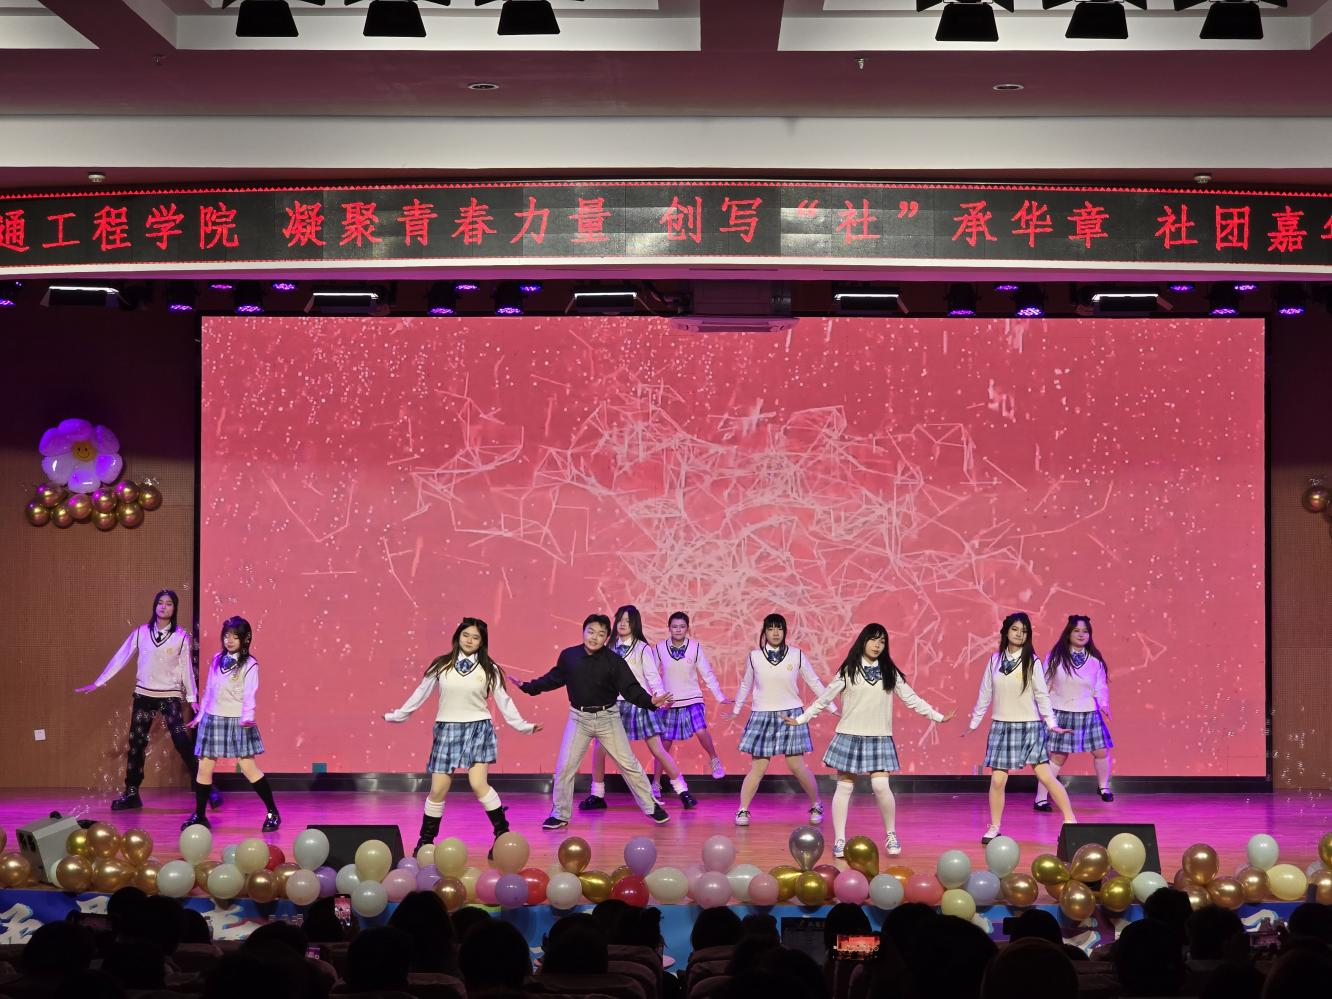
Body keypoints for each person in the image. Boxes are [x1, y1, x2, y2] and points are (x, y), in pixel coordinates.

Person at [787, 623, 953, 857]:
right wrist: (801, 719)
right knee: (844, 787)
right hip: (850, 735)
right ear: (863, 641)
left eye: (882, 641)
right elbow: (824, 699)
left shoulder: (889, 671)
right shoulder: (849, 669)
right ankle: (840, 840)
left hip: (879, 737)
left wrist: (937, 716)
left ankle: (891, 834)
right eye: (873, 640)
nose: (877, 645)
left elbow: (911, 698)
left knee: (881, 786)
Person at [384, 617, 542, 856]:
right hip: (447, 729)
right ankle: (425, 842)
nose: (469, 640)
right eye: (465, 635)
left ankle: (502, 835)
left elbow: (504, 701)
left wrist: (523, 726)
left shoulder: (489, 668)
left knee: (478, 784)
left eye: (475, 637)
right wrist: (398, 715)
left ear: (482, 642)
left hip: (478, 728)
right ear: (457, 636)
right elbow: (420, 693)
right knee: (438, 789)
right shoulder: (441, 665)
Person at [518, 613, 673, 830]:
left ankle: (651, 806)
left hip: (608, 718)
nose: (594, 637)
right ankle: (560, 814)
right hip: (579, 719)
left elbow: (630, 689)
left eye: (600, 634)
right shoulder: (569, 656)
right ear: (583, 632)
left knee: (629, 764)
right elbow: (553, 678)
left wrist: (650, 701)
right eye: (591, 632)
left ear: (606, 637)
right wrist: (528, 687)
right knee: (565, 767)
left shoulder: (614, 661)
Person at [76, 590, 220, 812]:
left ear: (174, 608)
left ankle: (208, 788)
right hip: (144, 696)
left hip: (170, 696)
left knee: (181, 741)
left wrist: (192, 698)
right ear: (155, 606)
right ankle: (131, 793)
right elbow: (121, 656)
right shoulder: (141, 633)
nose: (164, 607)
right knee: (136, 744)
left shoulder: (181, 637)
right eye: (160, 603)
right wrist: (99, 682)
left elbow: (186, 670)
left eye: (169, 603)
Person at [963, 612, 1075, 844]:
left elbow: (1042, 695)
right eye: (1014, 629)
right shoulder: (994, 660)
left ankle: (1071, 821)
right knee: (997, 781)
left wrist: (1052, 724)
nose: (1018, 634)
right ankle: (995, 827)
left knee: (1045, 776)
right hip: (1001, 727)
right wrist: (974, 722)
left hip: (1029, 727)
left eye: (1023, 631)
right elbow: (985, 693)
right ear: (1006, 631)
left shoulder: (1032, 661)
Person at [581, 605, 696, 812]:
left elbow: (652, 677)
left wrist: (659, 696)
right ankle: (597, 795)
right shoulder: (608, 646)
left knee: (657, 749)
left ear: (635, 624)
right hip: (612, 705)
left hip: (639, 703)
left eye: (628, 620)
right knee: (599, 749)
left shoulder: (642, 648)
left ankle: (683, 791)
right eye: (620, 619)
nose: (623, 624)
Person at [732, 613, 834, 827]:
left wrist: (831, 706)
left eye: (779, 628)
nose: (775, 632)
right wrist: (736, 708)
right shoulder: (754, 656)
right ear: (765, 632)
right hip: (762, 714)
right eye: (771, 629)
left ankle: (816, 804)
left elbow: (814, 681)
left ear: (785, 631)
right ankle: (743, 809)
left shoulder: (796, 655)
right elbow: (745, 684)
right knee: (758, 768)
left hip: (791, 714)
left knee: (797, 766)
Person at [184, 616, 279, 831]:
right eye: (226, 635)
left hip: (238, 720)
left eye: (235, 637)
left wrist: (247, 716)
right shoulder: (217, 659)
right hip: (212, 717)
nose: (229, 640)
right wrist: (200, 717)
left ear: (245, 639)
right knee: (204, 767)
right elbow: (209, 690)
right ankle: (200, 815)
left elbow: (250, 693)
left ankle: (273, 812)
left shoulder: (250, 664)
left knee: (248, 767)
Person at [1035, 615, 1114, 810]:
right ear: (1068, 633)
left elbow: (1100, 686)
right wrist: (1042, 708)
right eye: (1076, 631)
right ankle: (1040, 798)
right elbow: (1043, 683)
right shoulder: (1056, 657)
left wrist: (1104, 704)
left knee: (1101, 751)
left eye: (1085, 631)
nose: (1081, 634)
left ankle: (1103, 787)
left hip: (1088, 711)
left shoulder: (1095, 661)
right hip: (1062, 710)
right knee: (1058, 757)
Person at [653, 611, 730, 784]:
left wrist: (719, 696)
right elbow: (652, 674)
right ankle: (656, 783)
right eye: (674, 626)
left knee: (701, 730)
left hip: (692, 698)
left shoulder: (695, 647)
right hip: (669, 701)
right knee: (665, 743)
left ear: (687, 628)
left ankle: (714, 759)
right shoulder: (659, 648)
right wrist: (657, 698)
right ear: (669, 628)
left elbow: (707, 673)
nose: (678, 630)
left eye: (682, 626)